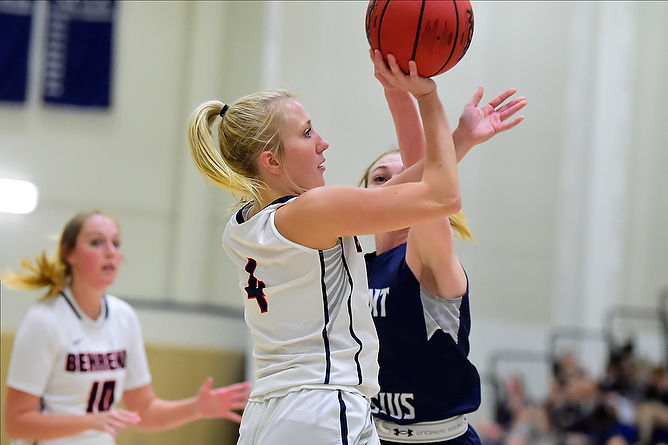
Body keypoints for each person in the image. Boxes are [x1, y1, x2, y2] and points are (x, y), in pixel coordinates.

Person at [186, 50, 464, 445]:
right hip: (321, 407)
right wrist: (427, 96)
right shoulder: (315, 210)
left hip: (265, 416)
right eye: (306, 133)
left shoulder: (242, 226)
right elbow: (444, 196)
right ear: (272, 162)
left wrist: (459, 140)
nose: (323, 143)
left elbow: (404, 190)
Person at [361, 51, 527, 444]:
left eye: (402, 176)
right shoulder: (354, 265)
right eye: (380, 178)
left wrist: (405, 95)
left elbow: (426, 187)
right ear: (364, 195)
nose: (394, 184)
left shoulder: (428, 259)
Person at [2, 210, 251, 444]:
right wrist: (89, 421)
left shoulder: (124, 317)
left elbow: (144, 411)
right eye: (97, 242)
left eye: (116, 243)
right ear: (70, 253)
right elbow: (17, 422)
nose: (110, 252)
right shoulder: (44, 320)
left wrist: (196, 408)